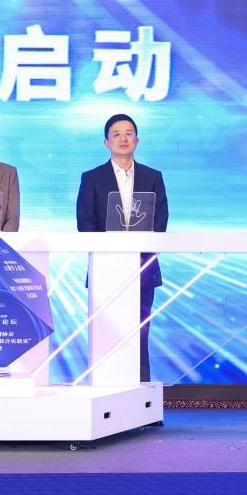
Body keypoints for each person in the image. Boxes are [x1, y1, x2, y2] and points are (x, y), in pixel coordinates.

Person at [76, 114, 168, 383]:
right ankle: (104, 391)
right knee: (106, 332)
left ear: (137, 140)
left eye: (128, 133)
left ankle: (140, 395)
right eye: (116, 134)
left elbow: (160, 220)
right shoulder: (92, 178)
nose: (123, 138)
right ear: (106, 142)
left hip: (142, 268)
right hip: (106, 268)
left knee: (140, 332)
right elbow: (85, 223)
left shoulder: (153, 177)